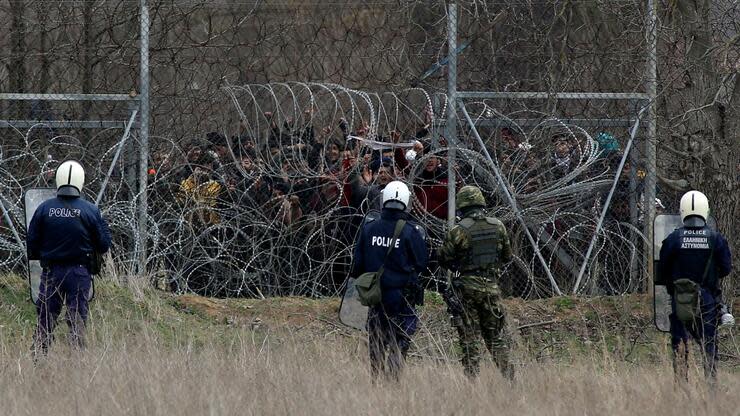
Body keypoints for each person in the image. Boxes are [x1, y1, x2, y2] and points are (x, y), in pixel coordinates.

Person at [27, 160, 112, 356]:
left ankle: (38, 357)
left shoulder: (44, 209)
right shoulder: (90, 210)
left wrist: (45, 255)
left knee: (45, 318)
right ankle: (78, 359)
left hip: (51, 272)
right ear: (80, 181)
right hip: (79, 271)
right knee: (77, 318)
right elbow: (104, 244)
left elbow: (32, 244)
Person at [351, 181, 428, 381]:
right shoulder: (411, 231)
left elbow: (357, 263)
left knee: (376, 337)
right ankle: (393, 380)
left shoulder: (369, 228)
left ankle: (375, 378)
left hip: (375, 295)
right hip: (402, 295)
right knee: (400, 338)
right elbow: (421, 263)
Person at [437, 185, 514, 380]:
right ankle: (510, 379)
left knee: (469, 337)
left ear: (462, 206)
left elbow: (444, 259)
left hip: (466, 289)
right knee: (495, 337)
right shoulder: (498, 226)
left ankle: (472, 380)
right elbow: (507, 256)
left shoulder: (458, 230)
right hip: (491, 288)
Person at [658, 190, 732, 385]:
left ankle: (681, 385)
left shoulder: (673, 239)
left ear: (683, 211)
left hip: (680, 300)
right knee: (709, 342)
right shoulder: (716, 239)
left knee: (679, 342)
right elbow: (725, 269)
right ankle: (711, 386)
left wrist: (674, 286)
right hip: (707, 299)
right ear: (705, 210)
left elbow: (662, 272)